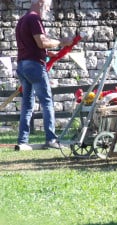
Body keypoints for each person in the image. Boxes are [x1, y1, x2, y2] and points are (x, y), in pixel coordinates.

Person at [15, 0, 73, 150]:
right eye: (48, 6)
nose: (48, 9)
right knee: (47, 102)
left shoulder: (22, 19)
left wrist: (48, 53)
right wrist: (62, 42)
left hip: (22, 65)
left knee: (27, 105)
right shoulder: (34, 18)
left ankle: (22, 141)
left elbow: (32, 44)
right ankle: (51, 140)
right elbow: (42, 42)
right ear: (41, 2)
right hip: (34, 65)